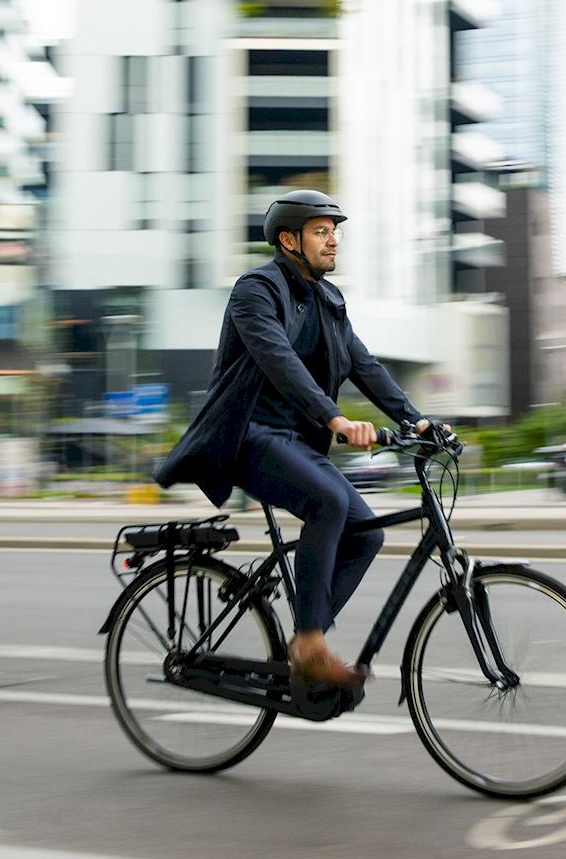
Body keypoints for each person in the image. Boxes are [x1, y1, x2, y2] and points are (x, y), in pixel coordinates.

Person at [155, 190, 430, 694]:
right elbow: (277, 359)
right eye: (322, 231)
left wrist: (418, 422)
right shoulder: (255, 291)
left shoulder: (327, 301)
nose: (334, 240)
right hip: (247, 437)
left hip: (293, 442)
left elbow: (365, 365)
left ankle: (311, 642)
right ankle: (308, 646)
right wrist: (335, 419)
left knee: (367, 533)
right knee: (327, 501)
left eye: (335, 231)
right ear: (289, 239)